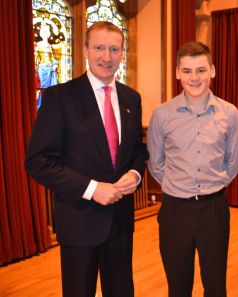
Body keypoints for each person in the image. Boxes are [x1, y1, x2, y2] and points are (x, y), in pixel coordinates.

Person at [25, 21, 148, 297]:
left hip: (120, 223)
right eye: (100, 48)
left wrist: (135, 175)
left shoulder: (132, 99)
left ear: (122, 53)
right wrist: (92, 189)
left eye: (114, 49)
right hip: (79, 222)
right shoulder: (59, 97)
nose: (107, 56)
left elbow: (137, 152)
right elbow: (38, 161)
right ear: (85, 50)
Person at [147, 41, 238, 297]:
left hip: (214, 210)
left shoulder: (229, 113)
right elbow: (155, 163)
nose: (194, 77)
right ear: (177, 72)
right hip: (175, 211)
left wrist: (212, 184)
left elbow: (232, 162)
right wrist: (178, 186)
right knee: (178, 286)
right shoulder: (162, 114)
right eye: (187, 71)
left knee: (215, 286)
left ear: (212, 70)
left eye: (200, 70)